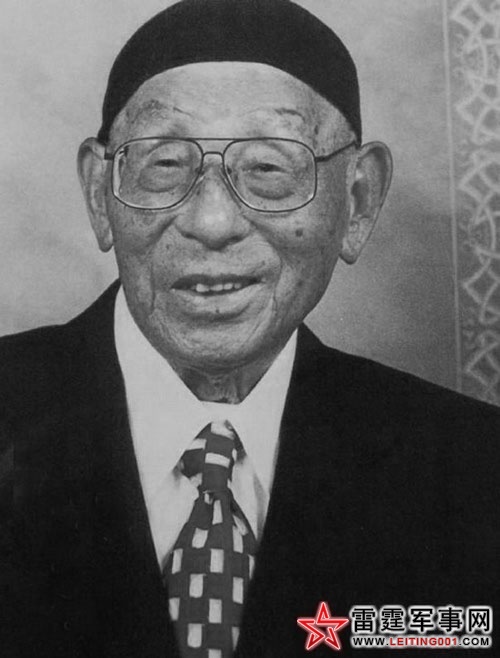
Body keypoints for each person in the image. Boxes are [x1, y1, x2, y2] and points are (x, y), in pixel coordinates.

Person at [1, 0, 499, 656]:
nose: (212, 223)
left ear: (357, 201)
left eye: (268, 168)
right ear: (101, 193)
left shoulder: (474, 469)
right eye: (165, 164)